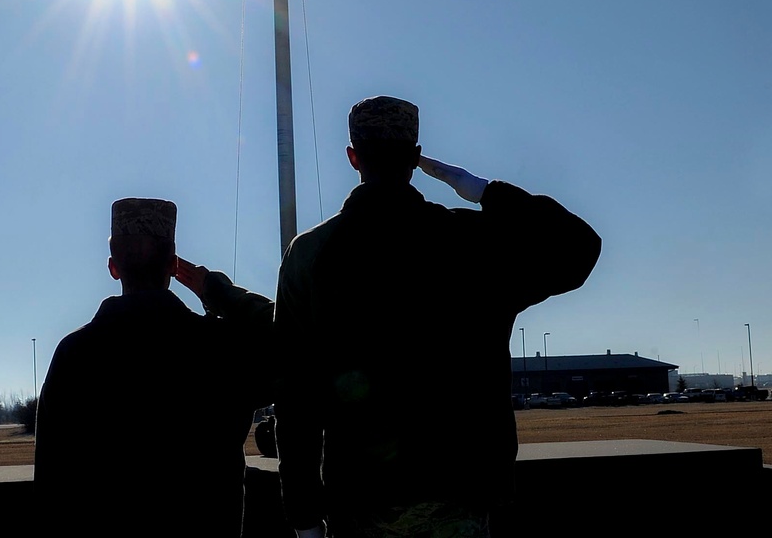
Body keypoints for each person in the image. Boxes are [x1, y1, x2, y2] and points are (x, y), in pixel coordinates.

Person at [274, 96, 601, 538]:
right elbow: (579, 247)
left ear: (353, 157)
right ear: (415, 158)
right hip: (458, 493)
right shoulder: (474, 244)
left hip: (360, 498)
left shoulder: (310, 255)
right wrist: (486, 191)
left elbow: (296, 396)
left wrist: (304, 517)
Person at [36, 197, 273, 535]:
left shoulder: (75, 355)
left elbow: (51, 485)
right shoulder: (220, 347)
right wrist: (220, 294)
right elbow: (297, 341)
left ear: (113, 268)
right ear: (173, 267)